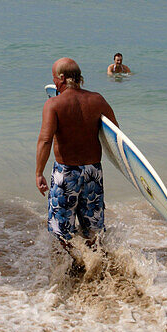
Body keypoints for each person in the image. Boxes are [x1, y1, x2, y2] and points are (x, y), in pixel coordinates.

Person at [36, 58, 118, 276]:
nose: (53, 81)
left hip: (66, 173)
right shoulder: (97, 99)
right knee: (93, 228)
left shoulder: (53, 104)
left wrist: (38, 173)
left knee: (60, 230)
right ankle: (97, 266)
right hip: (93, 171)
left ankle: (74, 265)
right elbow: (115, 135)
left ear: (61, 78)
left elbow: (45, 140)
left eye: (54, 77)